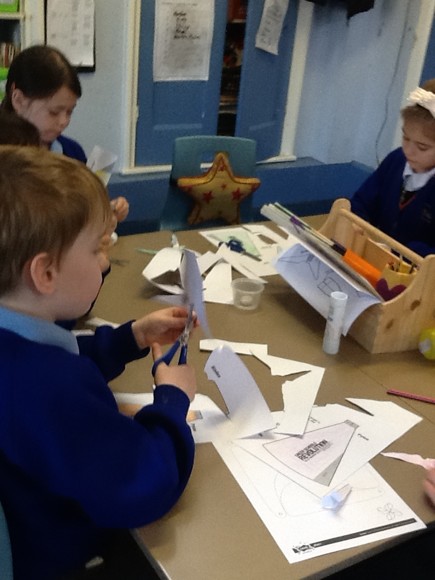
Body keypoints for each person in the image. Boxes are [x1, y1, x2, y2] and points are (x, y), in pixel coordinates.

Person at [0, 146, 197, 580]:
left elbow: (54, 354)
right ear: (45, 274)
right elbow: (143, 486)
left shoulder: (17, 347)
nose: (104, 261)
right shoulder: (50, 387)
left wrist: (130, 338)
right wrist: (172, 400)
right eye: (95, 251)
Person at [0, 44, 129, 223]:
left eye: (69, 112)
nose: (64, 121)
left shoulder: (71, 151)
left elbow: (84, 209)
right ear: (19, 100)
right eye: (54, 112)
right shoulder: (6, 160)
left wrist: (106, 212)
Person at [351, 79, 435, 257]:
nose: (408, 151)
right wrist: (357, 221)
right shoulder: (397, 160)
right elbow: (362, 202)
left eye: (422, 147)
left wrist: (408, 252)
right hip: (376, 260)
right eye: (405, 138)